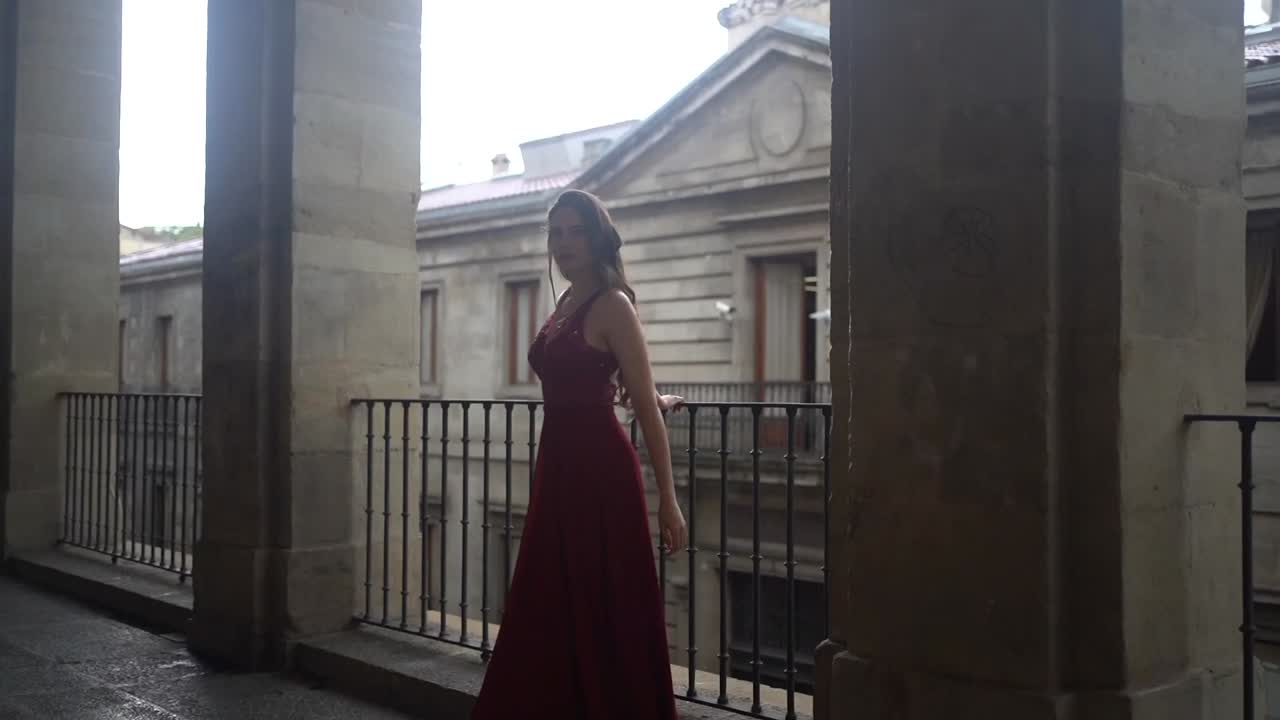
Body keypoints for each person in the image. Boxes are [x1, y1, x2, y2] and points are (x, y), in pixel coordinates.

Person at [471, 189, 687, 719]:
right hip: (560, 465)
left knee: (604, 597)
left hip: (600, 472)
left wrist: (669, 500)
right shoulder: (567, 301)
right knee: (553, 595)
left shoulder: (613, 304)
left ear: (596, 240)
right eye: (555, 232)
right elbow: (597, 377)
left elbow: (640, 399)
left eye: (574, 231)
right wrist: (647, 394)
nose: (563, 243)